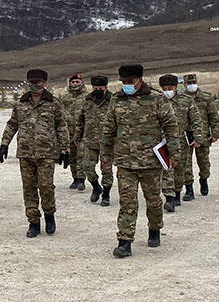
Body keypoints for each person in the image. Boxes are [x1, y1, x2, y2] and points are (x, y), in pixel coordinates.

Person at [100, 63, 179, 258]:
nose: (126, 85)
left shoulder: (156, 99)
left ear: (140, 79)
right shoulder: (117, 100)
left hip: (150, 161)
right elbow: (109, 129)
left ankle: (154, 229)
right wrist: (105, 157)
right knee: (127, 202)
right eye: (123, 82)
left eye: (130, 81)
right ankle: (124, 241)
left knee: (153, 200)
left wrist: (174, 154)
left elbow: (171, 126)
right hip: (125, 161)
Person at [0, 69, 70, 238]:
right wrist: (4, 144)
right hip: (25, 153)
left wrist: (65, 150)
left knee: (46, 187)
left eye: (37, 82)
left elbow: (62, 126)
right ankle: (33, 222)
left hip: (46, 153)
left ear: (44, 83)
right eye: (31, 82)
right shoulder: (20, 103)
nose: (34, 85)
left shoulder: (54, 103)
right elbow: (12, 124)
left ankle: (49, 215)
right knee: (29, 188)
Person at [158, 74, 204, 213]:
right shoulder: (157, 101)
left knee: (179, 169)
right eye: (164, 88)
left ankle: (177, 192)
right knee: (165, 170)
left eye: (170, 88)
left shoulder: (187, 100)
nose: (167, 90)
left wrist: (198, 137)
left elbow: (196, 119)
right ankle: (169, 197)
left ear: (176, 87)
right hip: (161, 141)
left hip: (180, 141)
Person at [74, 75, 113, 206]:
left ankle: (106, 193)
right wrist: (77, 136)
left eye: (100, 88)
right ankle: (96, 187)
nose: (97, 90)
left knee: (106, 169)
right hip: (89, 140)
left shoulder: (113, 100)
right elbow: (80, 121)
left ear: (106, 87)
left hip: (107, 142)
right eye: (95, 87)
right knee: (87, 167)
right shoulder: (88, 101)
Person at [182, 73, 219, 198]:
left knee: (203, 162)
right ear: (184, 84)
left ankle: (204, 180)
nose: (191, 85)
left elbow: (214, 117)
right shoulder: (181, 98)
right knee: (186, 164)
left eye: (193, 82)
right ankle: (189, 189)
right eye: (189, 83)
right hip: (186, 136)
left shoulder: (205, 98)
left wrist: (215, 133)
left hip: (203, 136)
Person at [59, 73, 88, 190]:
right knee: (72, 156)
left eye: (77, 82)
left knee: (82, 156)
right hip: (69, 131)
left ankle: (82, 179)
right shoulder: (64, 97)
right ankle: (75, 178)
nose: (75, 84)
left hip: (83, 132)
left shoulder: (87, 97)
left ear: (82, 83)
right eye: (73, 82)